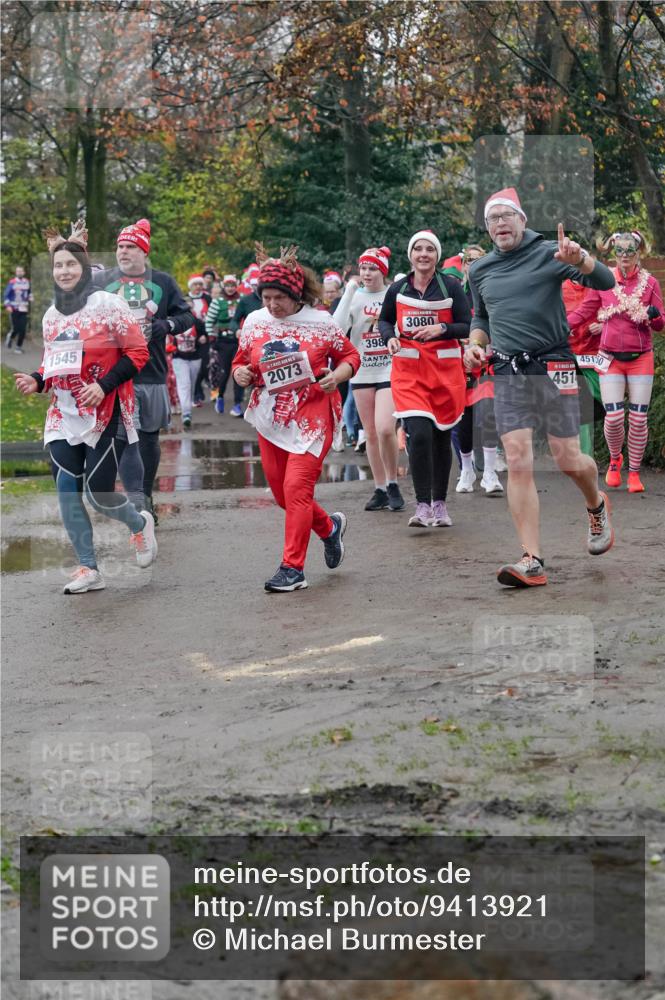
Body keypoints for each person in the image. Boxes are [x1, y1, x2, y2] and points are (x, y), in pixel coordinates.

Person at [465, 187, 616, 588]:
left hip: (556, 365)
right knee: (517, 459)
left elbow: (606, 281)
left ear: (522, 220)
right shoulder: (479, 270)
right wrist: (475, 346)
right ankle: (531, 559)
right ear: (487, 228)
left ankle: (596, 502)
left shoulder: (552, 251)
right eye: (492, 219)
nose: (499, 223)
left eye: (505, 216)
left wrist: (581, 259)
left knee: (569, 460)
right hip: (509, 371)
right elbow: (481, 318)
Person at [14, 219, 157, 593]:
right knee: (66, 489)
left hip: (106, 410)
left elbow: (137, 352)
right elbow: (54, 364)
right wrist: (37, 379)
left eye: (71, 265)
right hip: (64, 414)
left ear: (83, 268)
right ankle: (88, 568)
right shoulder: (50, 316)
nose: (64, 271)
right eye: (58, 265)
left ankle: (139, 524)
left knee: (99, 495)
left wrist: (103, 384)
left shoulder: (108, 305)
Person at [232, 243, 360, 592]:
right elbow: (241, 359)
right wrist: (240, 373)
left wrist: (338, 375)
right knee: (282, 496)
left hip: (312, 417)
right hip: (271, 418)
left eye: (279, 298)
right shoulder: (255, 321)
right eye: (266, 297)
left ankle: (293, 569)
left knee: (296, 489)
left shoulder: (321, 323)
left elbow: (350, 356)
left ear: (296, 293)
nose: (272, 305)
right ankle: (330, 529)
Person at [95, 219, 193, 519]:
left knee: (149, 437)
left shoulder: (162, 282)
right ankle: (135, 499)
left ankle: (146, 494)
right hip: (116, 373)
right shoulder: (102, 282)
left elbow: (187, 317)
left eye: (131, 247)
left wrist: (165, 325)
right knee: (126, 433)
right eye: (120, 246)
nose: (123, 252)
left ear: (144, 252)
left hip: (152, 371)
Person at [378, 229, 471, 527]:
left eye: (429, 249)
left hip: (445, 373)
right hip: (408, 373)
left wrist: (442, 330)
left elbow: (467, 326)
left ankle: (440, 504)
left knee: (441, 437)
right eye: (418, 249)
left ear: (437, 256)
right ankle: (421, 506)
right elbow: (384, 319)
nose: (423, 254)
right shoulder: (398, 287)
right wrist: (389, 338)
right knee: (418, 435)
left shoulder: (451, 287)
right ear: (410, 255)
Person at [566, 230, 663, 493]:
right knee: (614, 417)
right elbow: (585, 310)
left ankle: (633, 472)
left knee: (639, 419)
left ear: (638, 252)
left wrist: (654, 316)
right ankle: (614, 460)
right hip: (609, 357)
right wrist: (562, 327)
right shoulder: (605, 280)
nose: (624, 256)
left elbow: (661, 323)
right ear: (613, 253)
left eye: (630, 251)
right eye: (619, 251)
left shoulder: (650, 283)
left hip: (640, 357)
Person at [334, 245, 404, 511]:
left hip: (389, 368)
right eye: (363, 267)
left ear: (382, 271)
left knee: (386, 428)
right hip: (362, 371)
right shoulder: (354, 295)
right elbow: (337, 328)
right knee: (371, 433)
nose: (366, 273)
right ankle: (380, 488)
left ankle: (393, 482)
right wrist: (349, 292)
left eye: (372, 268)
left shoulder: (393, 294)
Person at [455, 244, 503, 495]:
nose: (473, 264)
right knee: (465, 418)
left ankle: (490, 473)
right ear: (462, 265)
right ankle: (466, 470)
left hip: (489, 361)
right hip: (460, 363)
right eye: (468, 260)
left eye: (478, 260)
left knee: (488, 414)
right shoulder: (455, 292)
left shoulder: (492, 291)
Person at [206, 274, 244, 416]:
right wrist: (212, 336)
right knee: (225, 371)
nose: (230, 288)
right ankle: (220, 396)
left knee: (238, 372)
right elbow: (209, 320)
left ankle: (237, 404)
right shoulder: (217, 302)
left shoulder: (241, 301)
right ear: (224, 286)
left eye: (232, 285)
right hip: (222, 342)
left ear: (236, 286)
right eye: (227, 285)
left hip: (238, 342)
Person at [4, 265, 32, 353]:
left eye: (21, 271)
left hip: (23, 309)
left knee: (23, 329)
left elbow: (29, 292)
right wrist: (8, 305)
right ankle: (10, 337)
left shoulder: (27, 282)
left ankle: (18, 347)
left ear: (23, 272)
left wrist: (31, 297)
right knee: (16, 328)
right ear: (16, 273)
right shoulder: (12, 282)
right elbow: (6, 295)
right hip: (14, 309)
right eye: (18, 271)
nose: (19, 272)